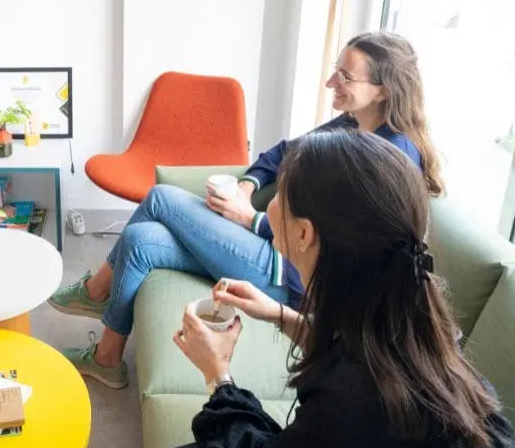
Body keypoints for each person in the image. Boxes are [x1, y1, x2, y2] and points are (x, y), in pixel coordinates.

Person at [49, 32, 444, 389]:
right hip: (279, 247)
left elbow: (340, 246)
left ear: (382, 91)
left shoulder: (392, 159)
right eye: (334, 70)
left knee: (161, 198)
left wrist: (251, 219)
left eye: (345, 76)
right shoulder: (351, 124)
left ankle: (96, 291)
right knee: (139, 239)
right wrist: (248, 184)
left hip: (290, 274)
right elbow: (284, 152)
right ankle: (107, 359)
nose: (330, 83)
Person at [124, 129, 515, 448]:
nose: (271, 202)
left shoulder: (354, 398)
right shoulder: (411, 314)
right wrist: (279, 315)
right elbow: (359, 352)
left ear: (304, 232)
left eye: (279, 194)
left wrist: (217, 374)